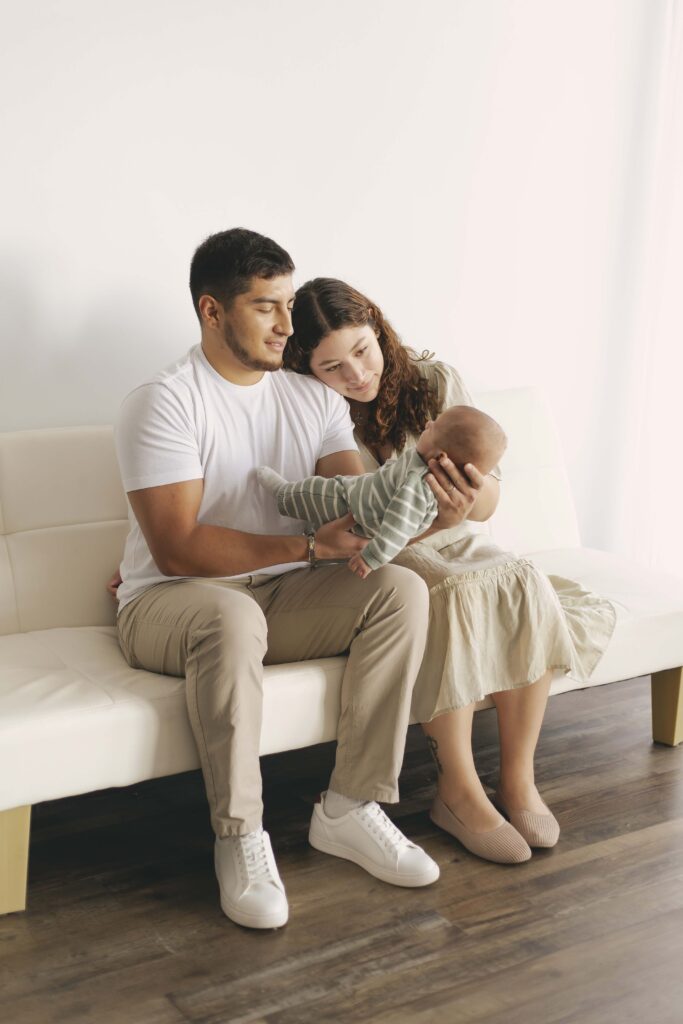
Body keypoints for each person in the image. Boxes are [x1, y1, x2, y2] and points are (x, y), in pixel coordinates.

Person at [113, 230, 441, 932]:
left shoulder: (312, 400)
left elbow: (354, 506)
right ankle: (240, 838)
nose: (287, 326)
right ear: (211, 311)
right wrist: (307, 545)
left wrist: (424, 496)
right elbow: (176, 549)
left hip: (282, 596)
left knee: (401, 590)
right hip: (167, 605)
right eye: (266, 307)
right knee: (233, 618)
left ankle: (351, 808)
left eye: (289, 304)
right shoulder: (164, 400)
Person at [283, 277, 617, 864]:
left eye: (362, 351)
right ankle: (458, 792)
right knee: (448, 590)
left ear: (378, 328)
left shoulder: (435, 383)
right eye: (332, 367)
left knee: (521, 579)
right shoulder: (310, 408)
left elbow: (488, 502)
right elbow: (343, 520)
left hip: (458, 535)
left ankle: (517, 780)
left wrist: (466, 501)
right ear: (309, 369)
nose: (356, 376)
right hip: (380, 550)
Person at [257, 404, 507, 578]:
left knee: (314, 492)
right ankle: (289, 501)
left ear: (441, 456)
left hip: (352, 503)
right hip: (358, 496)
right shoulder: (420, 463)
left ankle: (282, 495)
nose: (428, 423)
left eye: (434, 427)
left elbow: (398, 528)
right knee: (318, 494)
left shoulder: (417, 484)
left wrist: (371, 558)